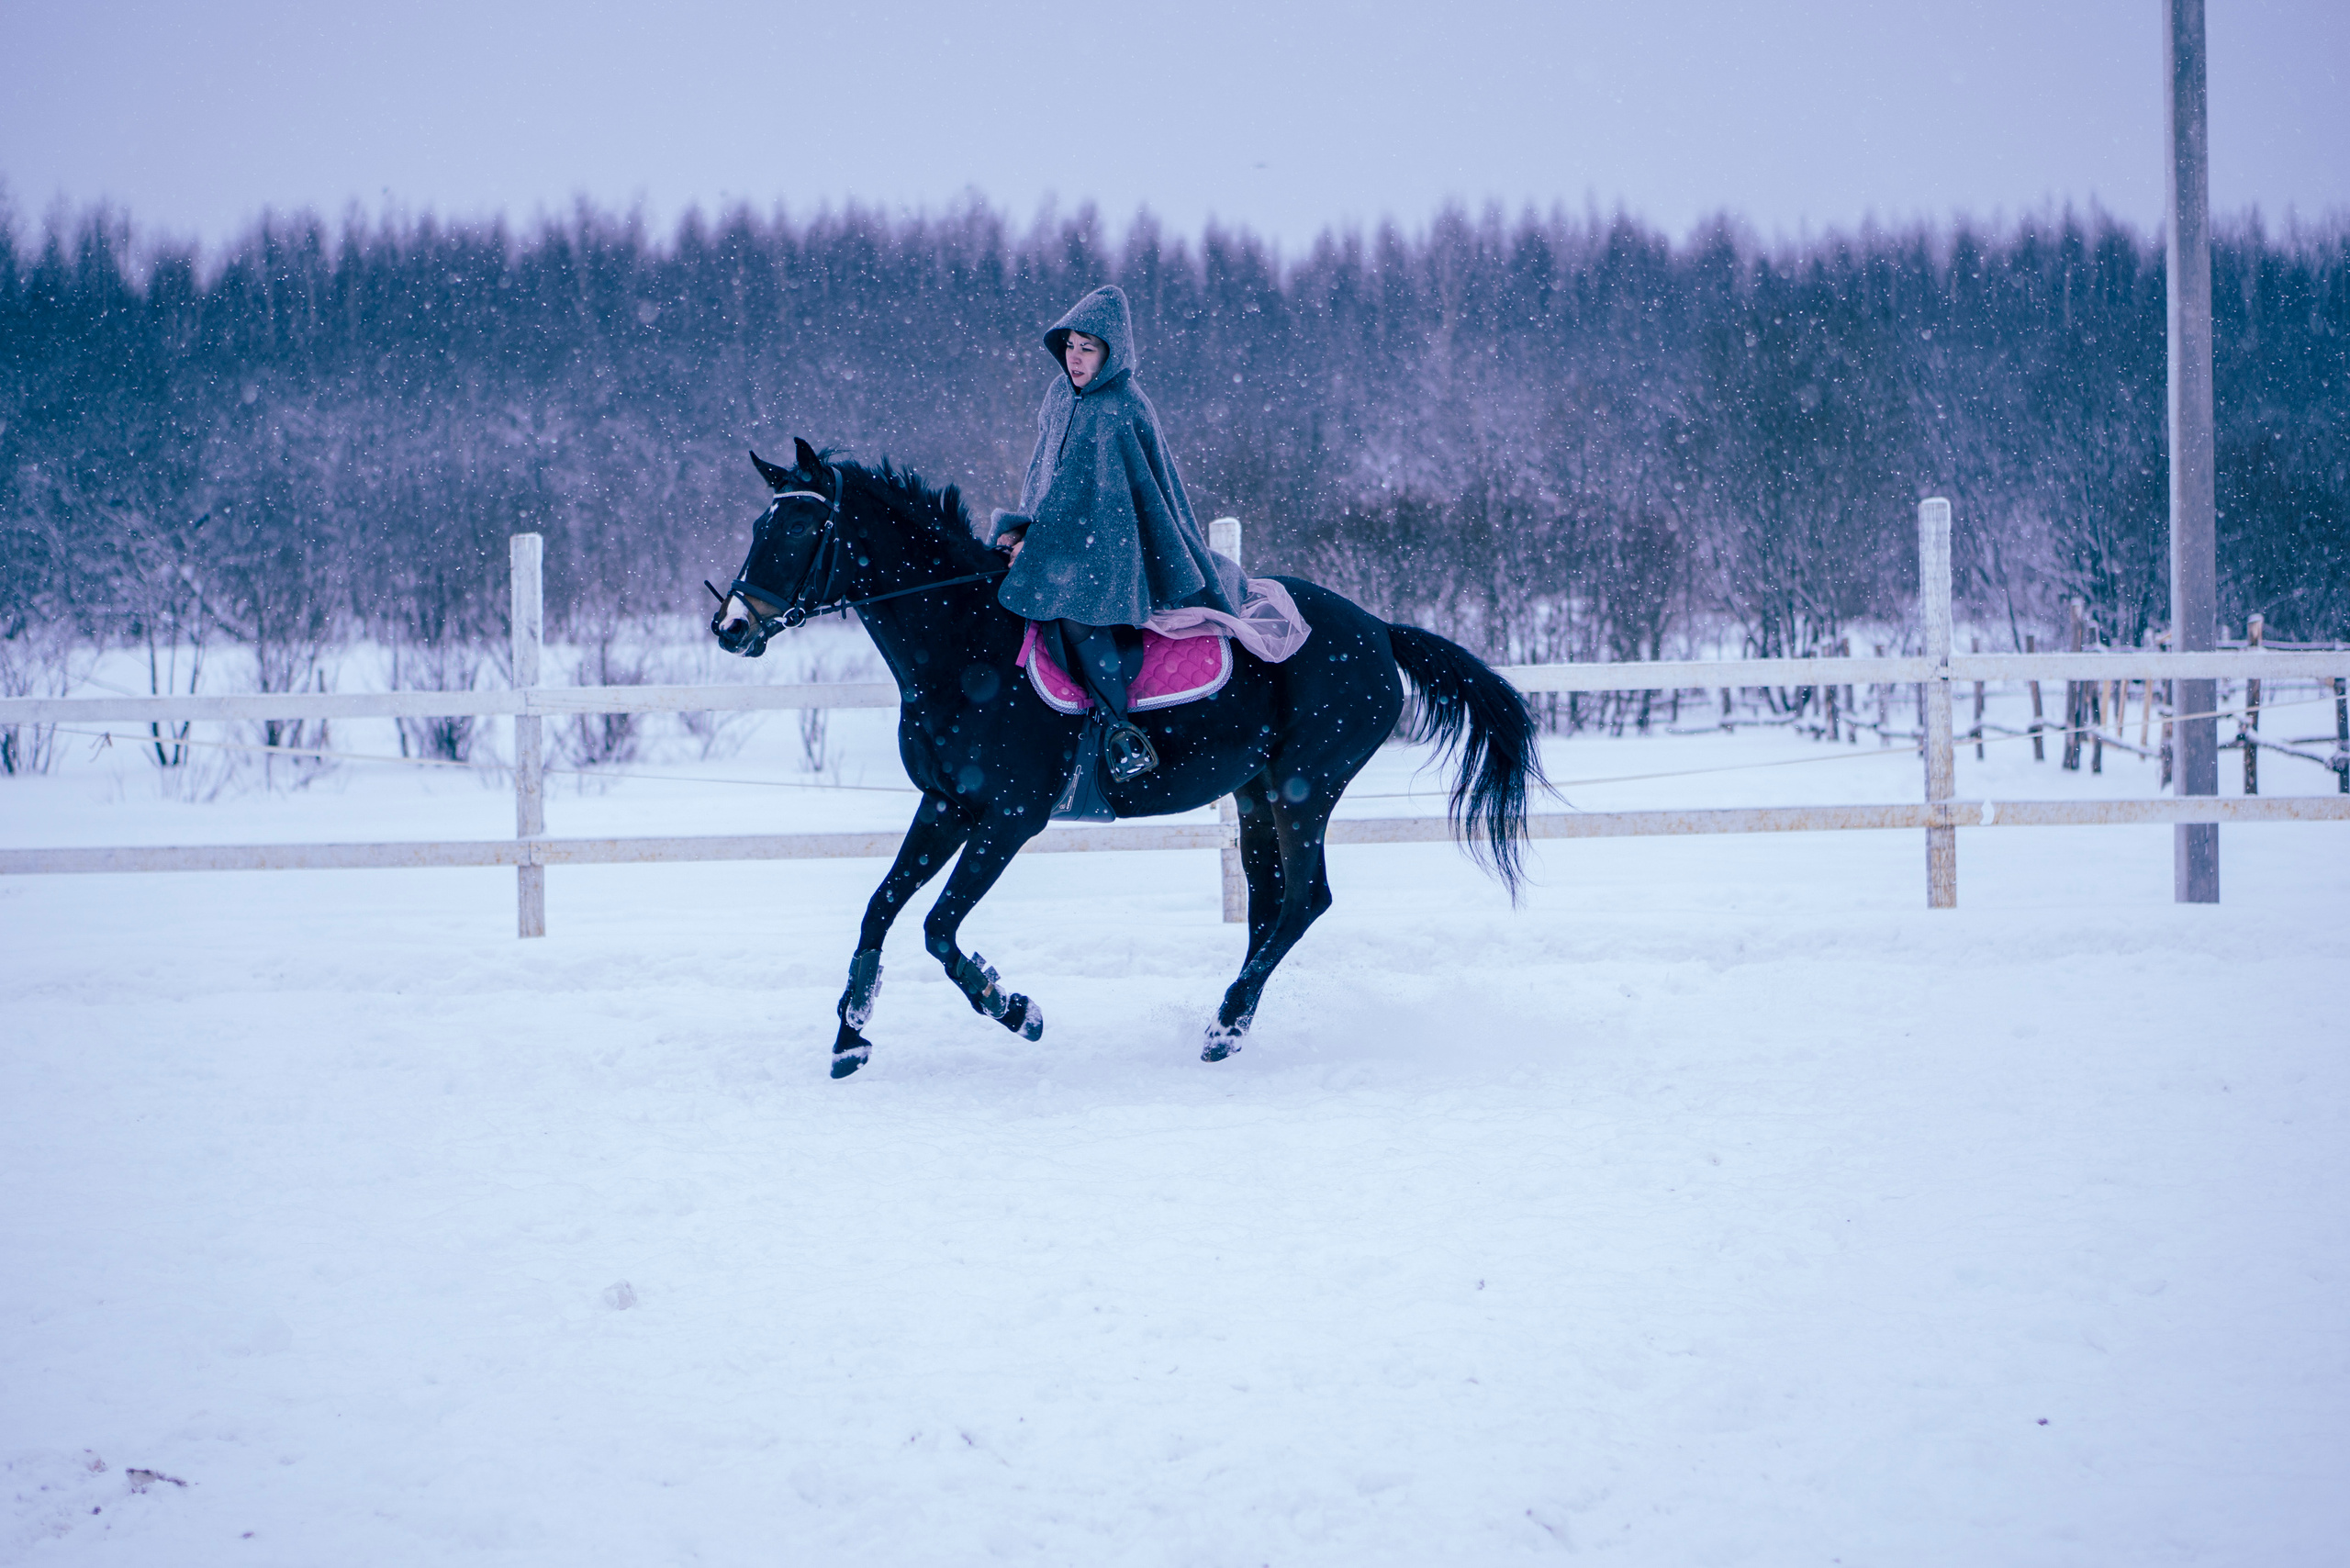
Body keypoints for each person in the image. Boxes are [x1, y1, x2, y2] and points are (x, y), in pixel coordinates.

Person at [991, 285, 1246, 781]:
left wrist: (1039, 548)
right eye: (1070, 345)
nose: (1076, 358)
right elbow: (1046, 476)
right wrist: (1023, 530)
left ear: (1112, 352)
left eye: (1088, 347)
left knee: (1077, 615)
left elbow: (1096, 506)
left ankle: (1118, 730)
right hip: (1059, 541)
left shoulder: (1119, 407)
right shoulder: (1060, 395)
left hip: (1113, 550)